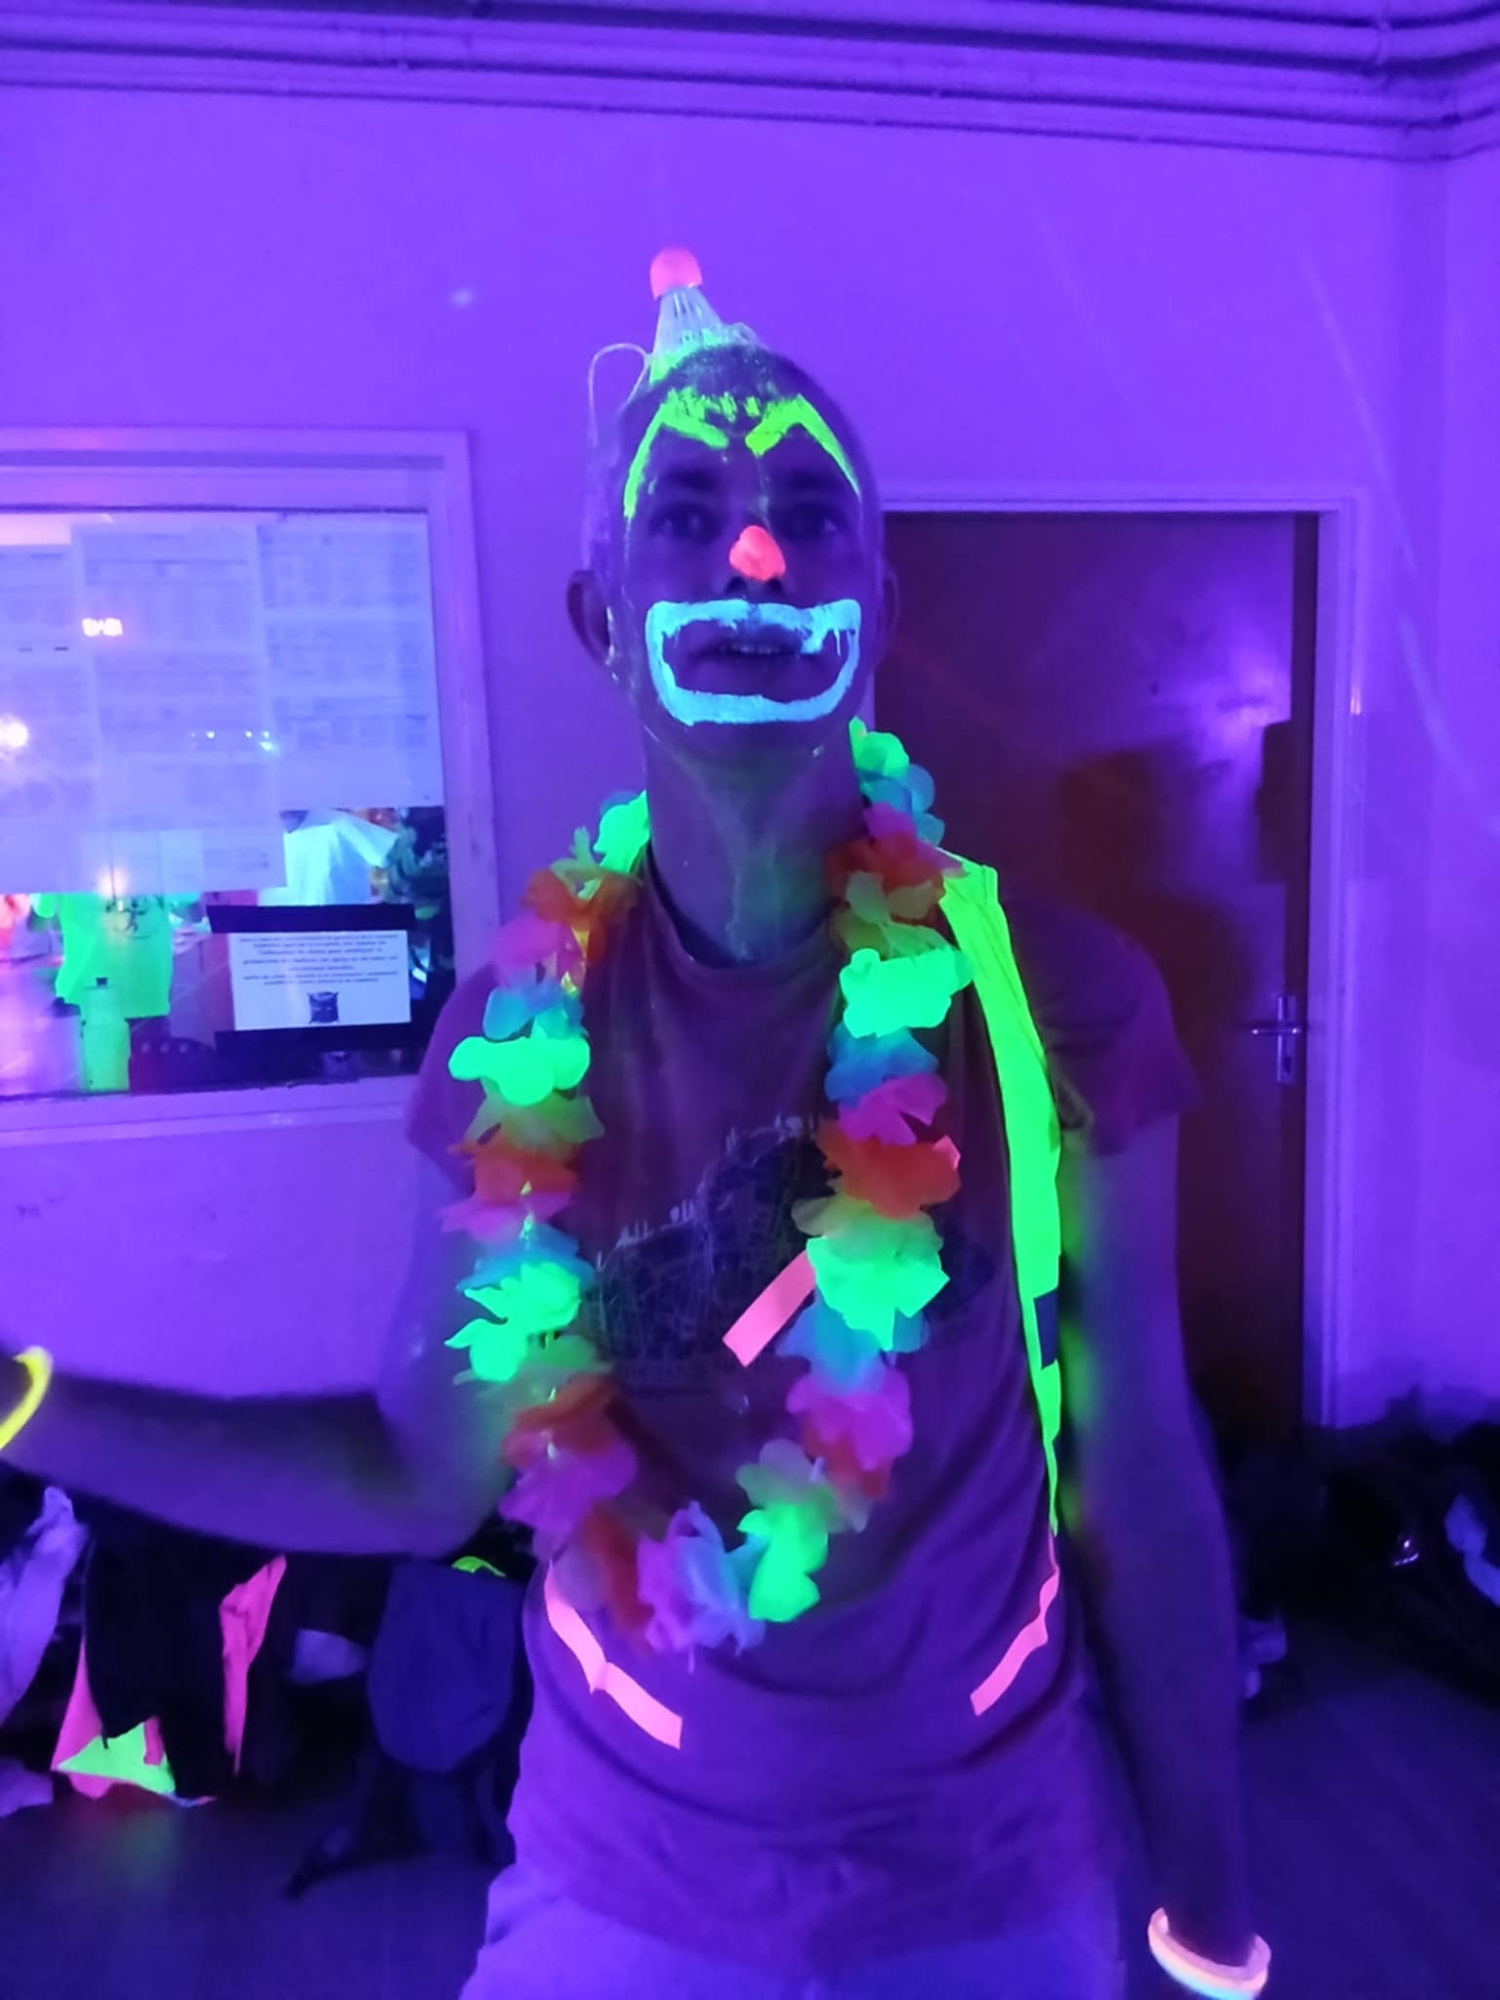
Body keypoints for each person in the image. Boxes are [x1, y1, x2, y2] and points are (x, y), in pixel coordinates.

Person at [2, 253, 1268, 1999]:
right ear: (601, 619)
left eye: (809, 516)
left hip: (993, 1875)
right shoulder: (508, 1045)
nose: (755, 556)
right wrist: (29, 1404)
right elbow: (418, 1472)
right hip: (621, 1885)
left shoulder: (1064, 999)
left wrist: (1209, 1888)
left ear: (879, 606)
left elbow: (1139, 1464)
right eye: (688, 515)